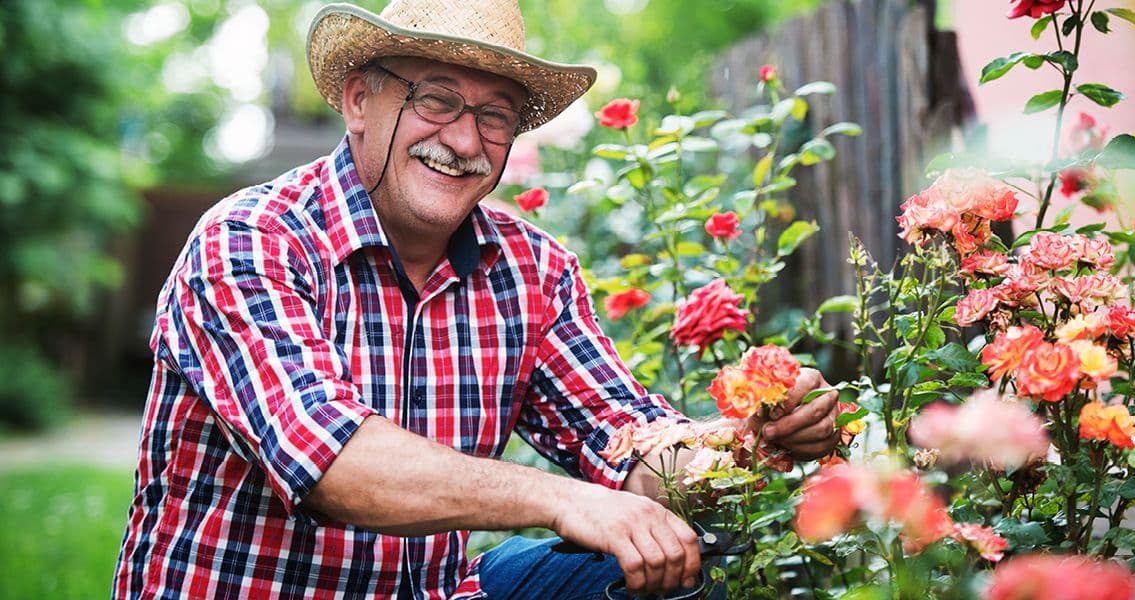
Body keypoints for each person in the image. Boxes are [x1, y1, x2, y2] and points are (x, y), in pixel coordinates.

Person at [112, 1, 841, 599]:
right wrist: (565, 499)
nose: (464, 139)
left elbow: (627, 440)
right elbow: (332, 464)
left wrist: (755, 436)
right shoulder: (250, 241)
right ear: (358, 99)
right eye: (436, 99)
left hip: (435, 591)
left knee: (688, 565)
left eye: (496, 115)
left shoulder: (532, 270)